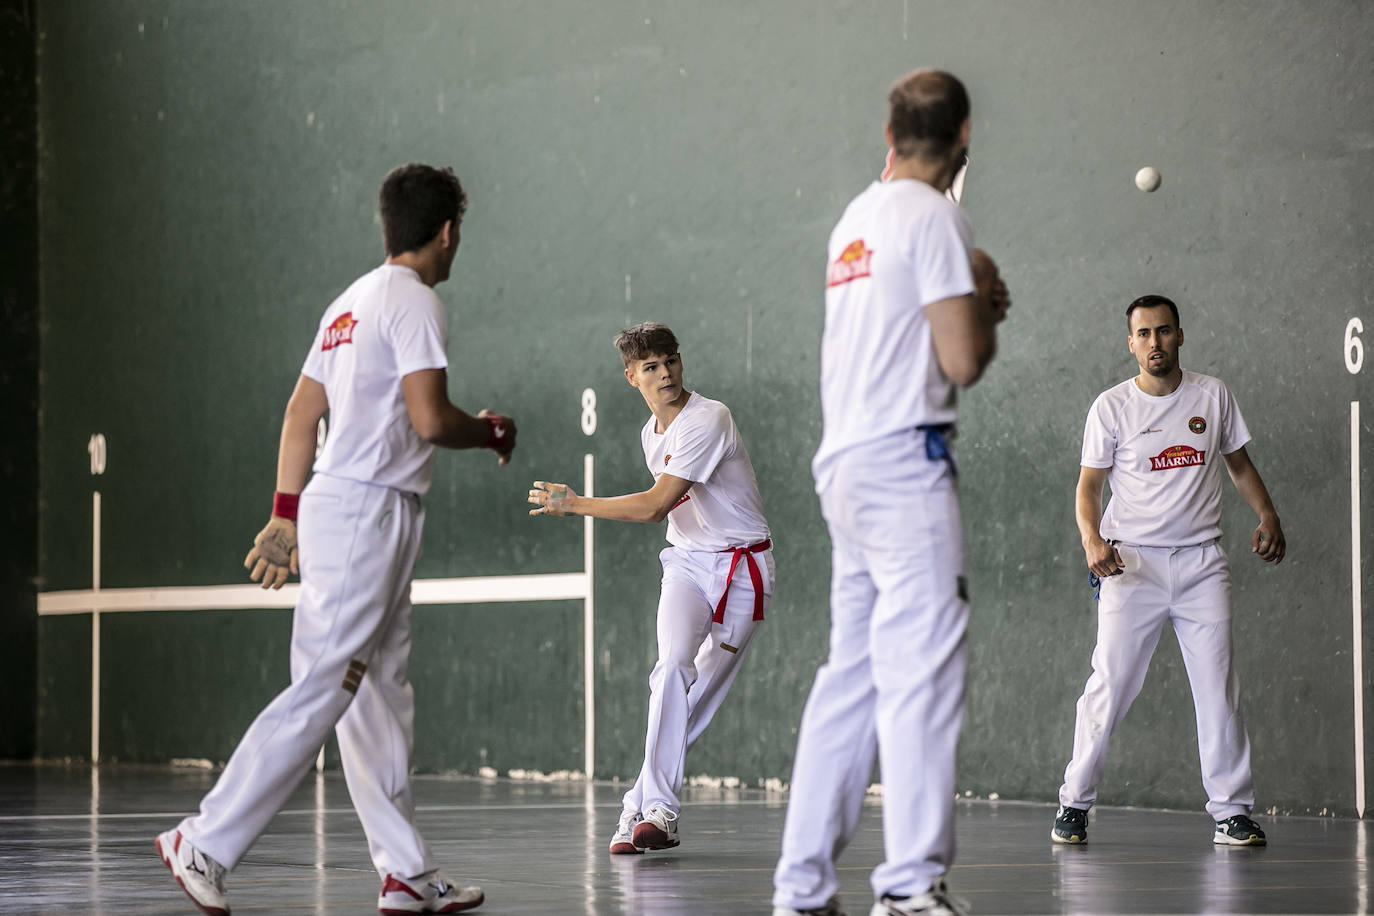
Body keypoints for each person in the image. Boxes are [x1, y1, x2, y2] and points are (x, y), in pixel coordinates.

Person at [155, 163, 515, 916]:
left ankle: (406, 874)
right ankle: (205, 841)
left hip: (346, 507)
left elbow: (299, 413)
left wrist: (286, 513)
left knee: (378, 691)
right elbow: (429, 418)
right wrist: (490, 433)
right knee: (325, 685)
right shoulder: (414, 302)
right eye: (459, 234)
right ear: (446, 232)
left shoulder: (348, 304)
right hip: (367, 514)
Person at [772, 69, 1010, 916]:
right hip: (906, 466)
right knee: (922, 676)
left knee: (854, 677)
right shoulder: (934, 216)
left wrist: (971, 298)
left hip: (844, 468)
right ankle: (910, 888)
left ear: (890, 131)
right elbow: (963, 361)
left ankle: (801, 889)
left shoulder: (855, 221)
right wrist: (982, 298)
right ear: (965, 136)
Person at [527, 321, 773, 856]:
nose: (666, 374)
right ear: (631, 377)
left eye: (671, 361)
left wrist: (574, 503)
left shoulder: (710, 418)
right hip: (686, 565)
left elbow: (655, 505)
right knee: (670, 672)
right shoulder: (650, 435)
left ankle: (633, 806)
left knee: (695, 699)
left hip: (742, 574)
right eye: (651, 367)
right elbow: (671, 515)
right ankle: (660, 812)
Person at [1051, 294, 1283, 848]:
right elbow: (1088, 488)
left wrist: (1268, 513)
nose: (1155, 342)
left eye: (1164, 331)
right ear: (1130, 343)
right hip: (1131, 567)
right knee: (1110, 686)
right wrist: (1090, 540)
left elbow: (1239, 466)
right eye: (1144, 334)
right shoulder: (1111, 407)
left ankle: (1232, 812)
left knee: (1218, 689)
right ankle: (1074, 804)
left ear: (1180, 336)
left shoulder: (1213, 395)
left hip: (1203, 563)